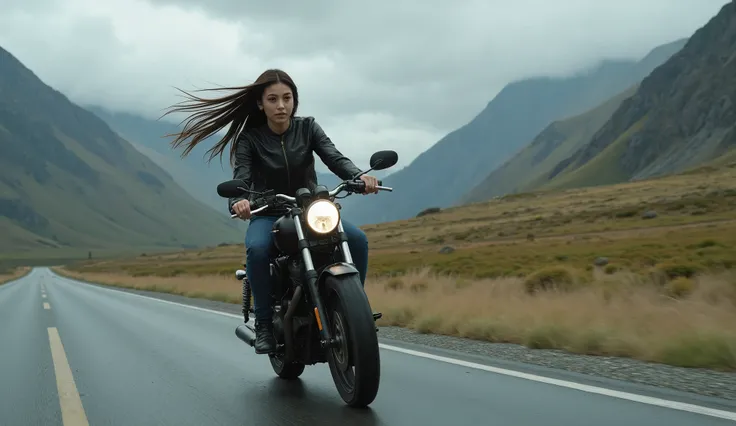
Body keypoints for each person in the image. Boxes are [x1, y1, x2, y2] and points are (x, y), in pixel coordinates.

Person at [164, 69, 379, 354]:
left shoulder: (309, 128)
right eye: (274, 99)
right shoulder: (249, 139)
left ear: (294, 101)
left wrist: (359, 177)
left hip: (309, 209)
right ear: (260, 104)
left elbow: (335, 157)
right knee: (257, 249)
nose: (281, 105)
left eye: (287, 98)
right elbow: (242, 176)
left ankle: (355, 310)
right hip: (268, 212)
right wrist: (239, 201)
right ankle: (264, 324)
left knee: (357, 239)